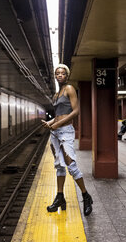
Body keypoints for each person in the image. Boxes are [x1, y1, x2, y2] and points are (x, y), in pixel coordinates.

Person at [41, 63, 93, 216]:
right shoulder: (56, 95)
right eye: (57, 73)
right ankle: (60, 197)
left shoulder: (70, 89)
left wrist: (58, 124)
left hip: (65, 131)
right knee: (59, 165)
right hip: (56, 132)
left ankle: (86, 196)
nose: (59, 75)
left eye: (62, 73)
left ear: (67, 75)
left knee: (71, 165)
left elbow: (76, 111)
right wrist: (50, 123)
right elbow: (58, 115)